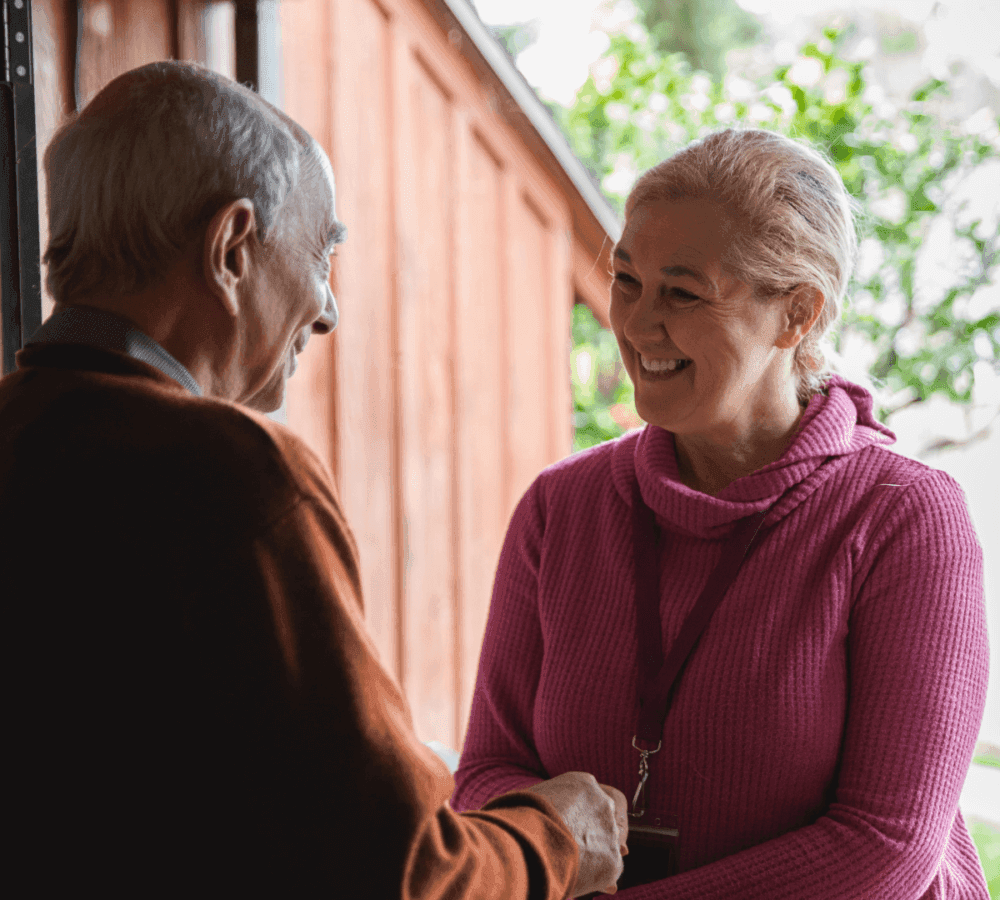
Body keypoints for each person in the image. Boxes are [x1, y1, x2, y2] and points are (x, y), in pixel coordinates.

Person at [0, 60, 630, 897]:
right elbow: (401, 873)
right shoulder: (231, 474)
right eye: (322, 254)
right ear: (230, 247)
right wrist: (556, 837)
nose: (327, 309)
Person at [451, 128, 990, 898]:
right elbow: (487, 774)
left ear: (797, 314)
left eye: (682, 292)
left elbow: (886, 848)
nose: (636, 327)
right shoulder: (559, 508)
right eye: (627, 280)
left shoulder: (903, 519)